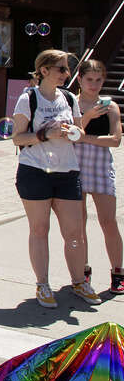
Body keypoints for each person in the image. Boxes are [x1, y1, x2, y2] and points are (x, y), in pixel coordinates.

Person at [11, 49, 99, 307]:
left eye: (68, 69)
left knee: (75, 232)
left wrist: (74, 131)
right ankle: (43, 284)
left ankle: (79, 282)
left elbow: (79, 132)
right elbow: (17, 138)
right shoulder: (29, 98)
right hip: (34, 171)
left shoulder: (70, 98)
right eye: (62, 68)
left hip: (67, 171)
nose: (67, 74)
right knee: (40, 229)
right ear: (44, 70)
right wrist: (45, 134)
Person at [74, 59, 124, 293]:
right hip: (74, 165)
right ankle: (83, 272)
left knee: (108, 221)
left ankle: (117, 272)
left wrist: (85, 137)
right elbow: (72, 132)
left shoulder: (111, 106)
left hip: (101, 166)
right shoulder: (72, 103)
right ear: (80, 79)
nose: (94, 85)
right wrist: (88, 117)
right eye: (89, 79)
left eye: (98, 80)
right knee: (78, 223)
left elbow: (115, 140)